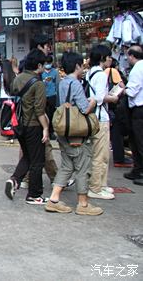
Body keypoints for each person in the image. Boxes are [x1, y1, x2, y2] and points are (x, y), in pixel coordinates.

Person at [44, 52, 103, 216]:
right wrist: (93, 101)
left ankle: (54, 199)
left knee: (66, 166)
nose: (83, 68)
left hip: (64, 131)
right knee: (83, 167)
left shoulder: (63, 83)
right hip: (76, 133)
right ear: (77, 66)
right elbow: (84, 108)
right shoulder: (75, 84)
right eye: (82, 65)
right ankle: (83, 204)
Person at [4, 49, 49, 205]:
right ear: (38, 65)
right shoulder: (38, 84)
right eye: (43, 65)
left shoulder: (18, 79)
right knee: (37, 161)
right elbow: (39, 110)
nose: (44, 68)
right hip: (34, 126)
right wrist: (45, 128)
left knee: (28, 156)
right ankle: (34, 195)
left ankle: (14, 180)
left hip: (19, 125)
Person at [86, 45, 122, 200]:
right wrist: (113, 97)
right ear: (102, 58)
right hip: (100, 118)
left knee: (98, 153)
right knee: (101, 154)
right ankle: (96, 187)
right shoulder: (100, 74)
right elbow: (100, 98)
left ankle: (101, 184)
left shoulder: (90, 72)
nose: (110, 59)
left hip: (94, 118)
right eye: (108, 57)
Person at [106, 58, 132, 167]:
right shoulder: (113, 71)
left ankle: (118, 157)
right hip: (116, 105)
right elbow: (122, 87)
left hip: (108, 107)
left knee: (114, 133)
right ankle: (119, 158)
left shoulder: (100, 72)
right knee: (118, 133)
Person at [124, 46, 143, 186]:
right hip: (138, 109)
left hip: (139, 109)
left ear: (131, 56)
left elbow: (132, 91)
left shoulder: (137, 69)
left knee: (139, 141)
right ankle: (137, 169)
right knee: (136, 141)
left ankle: (139, 170)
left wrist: (123, 89)